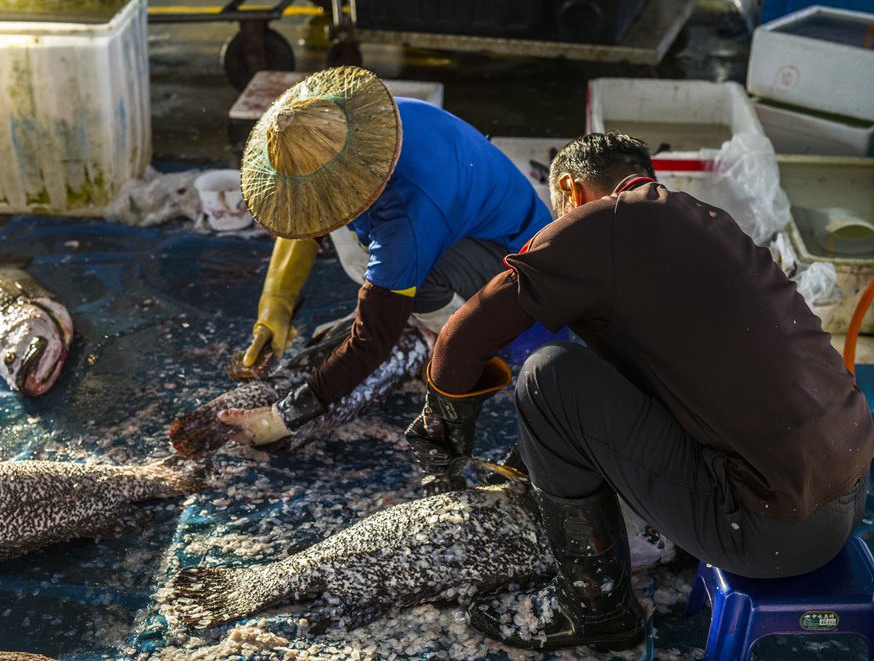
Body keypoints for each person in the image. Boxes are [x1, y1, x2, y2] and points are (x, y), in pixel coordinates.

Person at [403, 131, 874, 652]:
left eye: (558, 210)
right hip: (846, 500)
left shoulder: (599, 224)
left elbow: (461, 337)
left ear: (569, 189)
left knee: (547, 376)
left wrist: (442, 426)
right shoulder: (703, 218)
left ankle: (593, 608)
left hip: (769, 534)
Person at [216, 65, 553, 492]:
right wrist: (275, 307)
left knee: (411, 293)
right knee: (361, 248)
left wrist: (282, 416)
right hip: (460, 214)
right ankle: (418, 309)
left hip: (510, 261)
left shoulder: (406, 221)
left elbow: (372, 337)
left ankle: (452, 334)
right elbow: (310, 210)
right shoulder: (362, 127)